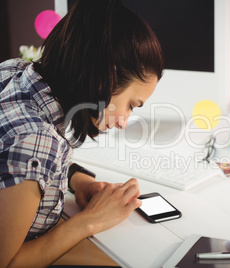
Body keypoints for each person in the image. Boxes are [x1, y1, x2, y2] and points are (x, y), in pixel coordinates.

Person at [0, 0, 163, 266]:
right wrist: (90, 221)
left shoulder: (13, 71)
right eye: (131, 105)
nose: (124, 122)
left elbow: (13, 161)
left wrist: (76, 180)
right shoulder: (38, 139)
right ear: (105, 79)